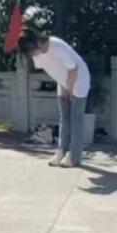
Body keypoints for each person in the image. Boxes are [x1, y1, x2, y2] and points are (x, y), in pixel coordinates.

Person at [18, 29, 91, 168]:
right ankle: (61, 151)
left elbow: (73, 68)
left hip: (78, 79)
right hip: (63, 81)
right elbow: (55, 70)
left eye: (32, 51)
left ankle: (74, 156)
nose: (32, 55)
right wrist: (63, 86)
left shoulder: (57, 46)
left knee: (76, 119)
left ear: (38, 42)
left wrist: (69, 89)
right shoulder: (36, 54)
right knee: (64, 117)